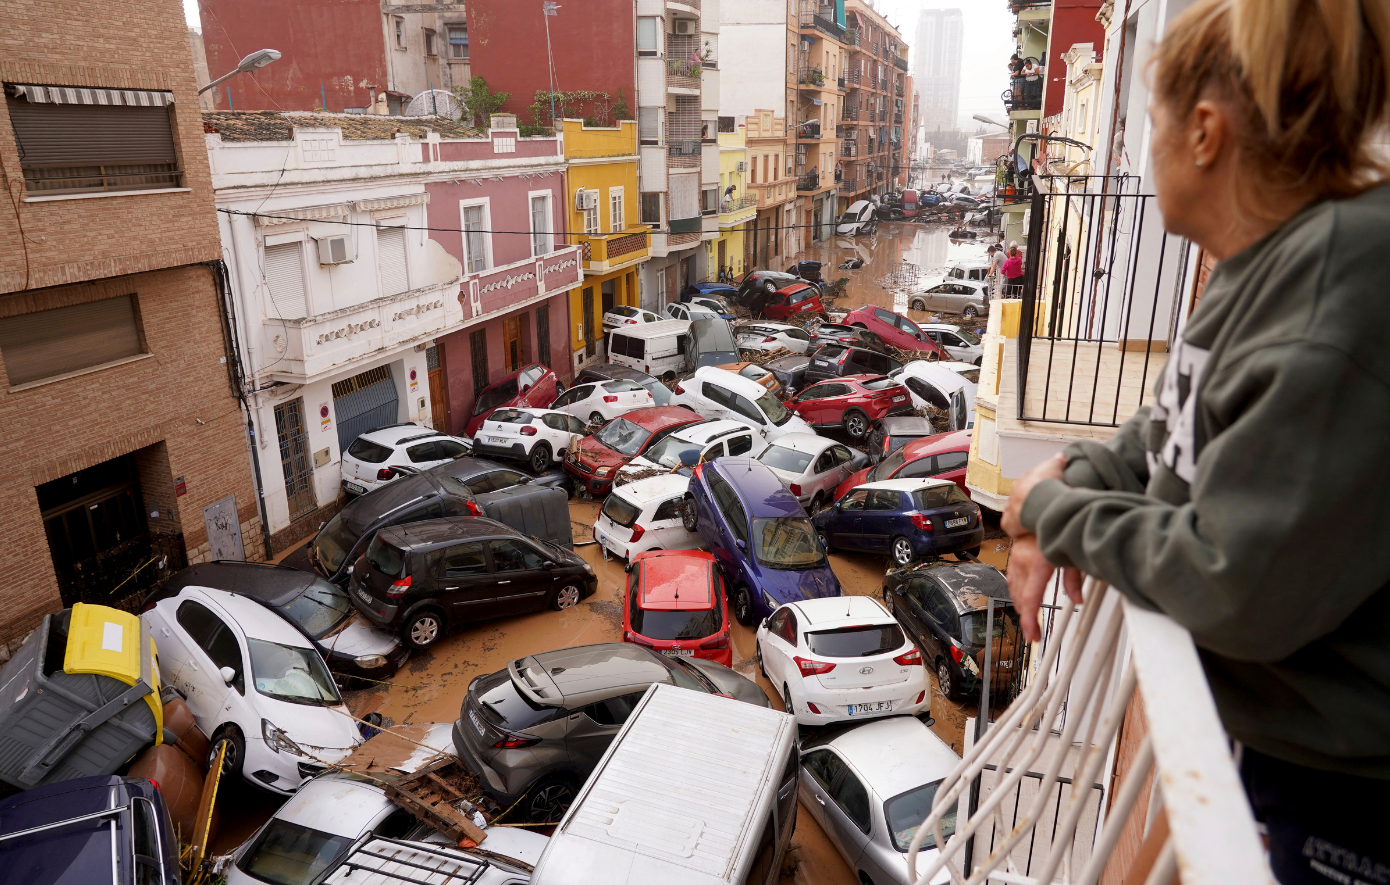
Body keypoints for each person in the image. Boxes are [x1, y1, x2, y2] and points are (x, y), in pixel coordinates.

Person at [998, 1, 1390, 882]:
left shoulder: (1339, 290)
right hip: (1288, 753)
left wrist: (1052, 509)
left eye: (1152, 124)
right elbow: (1167, 425)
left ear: (1205, 133)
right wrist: (1076, 473)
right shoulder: (1271, 263)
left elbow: (1234, 579)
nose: (1144, 151)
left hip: (1347, 800)